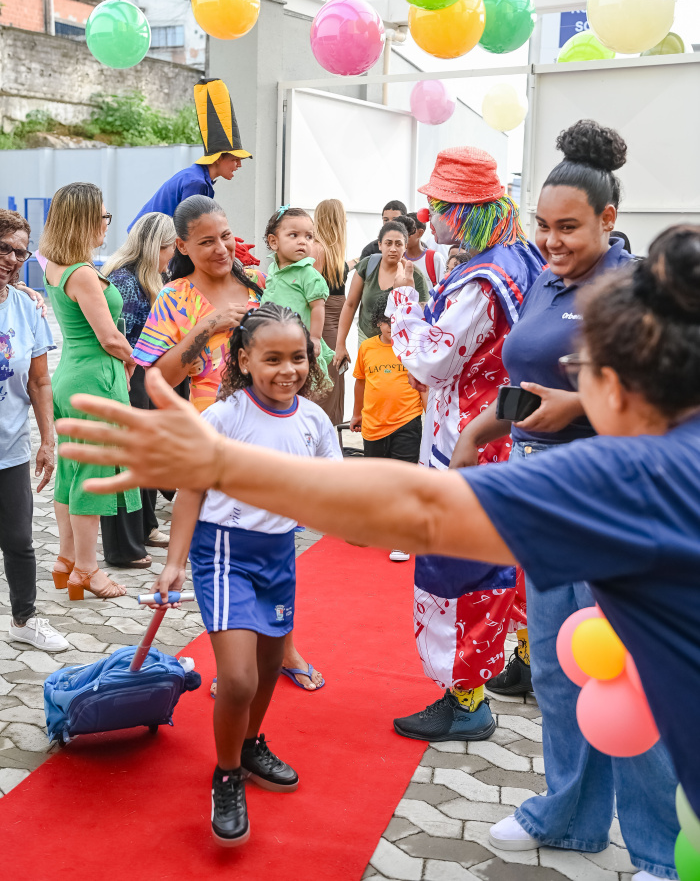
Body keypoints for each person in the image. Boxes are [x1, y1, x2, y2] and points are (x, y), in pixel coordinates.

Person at [58, 223, 700, 827]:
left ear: (616, 385)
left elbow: (418, 507)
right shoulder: (639, 469)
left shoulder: (622, 479)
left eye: (576, 373)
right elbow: (407, 504)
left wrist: (221, 465)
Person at [449, 121, 677, 880]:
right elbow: (527, 378)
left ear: (610, 220)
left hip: (613, 493)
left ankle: (657, 851)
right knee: (553, 664)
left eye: (569, 227)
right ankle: (570, 816)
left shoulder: (641, 290)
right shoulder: (547, 278)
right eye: (542, 225)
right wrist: (477, 433)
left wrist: (578, 405)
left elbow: (669, 400)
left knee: (625, 674)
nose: (551, 240)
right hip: (543, 487)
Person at [153, 303, 341, 845]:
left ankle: (252, 743)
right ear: (244, 360)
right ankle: (228, 774)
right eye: (272, 359)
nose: (288, 370)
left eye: (298, 357)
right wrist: (174, 563)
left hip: (279, 555)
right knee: (237, 679)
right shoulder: (224, 417)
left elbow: (336, 489)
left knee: (267, 667)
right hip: (224, 552)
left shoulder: (314, 421)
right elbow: (191, 490)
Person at [387, 146, 544, 742]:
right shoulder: (519, 256)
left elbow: (432, 358)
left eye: (438, 205)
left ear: (466, 211)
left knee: (463, 572)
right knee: (510, 563)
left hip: (469, 440)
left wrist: (403, 304)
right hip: (509, 433)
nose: (429, 217)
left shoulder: (484, 278)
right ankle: (525, 662)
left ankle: (466, 700)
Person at [41, 183, 140, 600]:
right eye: (103, 216)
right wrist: (133, 359)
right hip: (95, 378)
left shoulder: (56, 266)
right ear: (83, 220)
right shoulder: (81, 273)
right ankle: (87, 568)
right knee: (92, 475)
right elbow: (110, 337)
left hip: (72, 374)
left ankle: (66, 560)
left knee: (73, 470)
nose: (106, 224)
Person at [0, 209, 68, 651]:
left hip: (10, 447)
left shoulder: (27, 308)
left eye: (20, 252)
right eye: (3, 248)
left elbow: (40, 382)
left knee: (19, 540)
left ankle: (24, 620)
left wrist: (48, 440)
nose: (12, 259)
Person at [132, 195, 265, 413]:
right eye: (207, 242)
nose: (221, 249)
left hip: (269, 419)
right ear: (182, 246)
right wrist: (208, 325)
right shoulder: (175, 297)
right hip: (211, 427)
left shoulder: (259, 283)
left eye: (225, 236)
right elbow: (159, 379)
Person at [100, 212, 177, 563]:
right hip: (129, 376)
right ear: (156, 247)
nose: (172, 257)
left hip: (146, 375)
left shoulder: (147, 276)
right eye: (170, 249)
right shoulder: (125, 280)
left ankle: (146, 527)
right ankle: (126, 544)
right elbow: (121, 339)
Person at [351, 294, 423, 562]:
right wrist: (356, 413)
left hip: (407, 420)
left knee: (403, 482)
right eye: (387, 321)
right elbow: (360, 381)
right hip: (373, 424)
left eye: (397, 321)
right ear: (378, 322)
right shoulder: (367, 348)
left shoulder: (412, 347)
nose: (392, 327)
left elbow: (425, 385)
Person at [129, 79, 250, 233]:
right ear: (218, 158)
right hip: (148, 241)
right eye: (235, 159)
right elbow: (189, 231)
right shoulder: (196, 183)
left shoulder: (197, 178)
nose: (239, 165)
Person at [333, 220, 430, 368]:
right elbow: (350, 305)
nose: (393, 248)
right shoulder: (367, 266)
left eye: (398, 244)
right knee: (368, 379)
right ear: (380, 245)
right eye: (388, 243)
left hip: (399, 345)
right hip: (366, 339)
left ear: (405, 246)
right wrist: (340, 344)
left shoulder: (414, 275)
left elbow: (423, 317)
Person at [260, 207, 334, 384]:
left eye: (309, 237)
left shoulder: (308, 274)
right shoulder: (273, 269)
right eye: (294, 235)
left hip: (300, 344)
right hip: (274, 340)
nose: (303, 242)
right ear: (274, 242)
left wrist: (315, 337)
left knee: (299, 387)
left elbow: (317, 307)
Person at [311, 198, 351, 425]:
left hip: (335, 320)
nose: (346, 221)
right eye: (343, 217)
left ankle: (328, 430)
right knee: (325, 378)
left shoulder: (330, 250)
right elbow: (311, 289)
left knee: (335, 375)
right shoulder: (317, 249)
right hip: (325, 320)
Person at [406, 211, 445, 286]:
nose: (403, 236)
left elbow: (442, 288)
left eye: (408, 231)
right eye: (401, 231)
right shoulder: (397, 258)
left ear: (420, 233)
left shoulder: (435, 258)